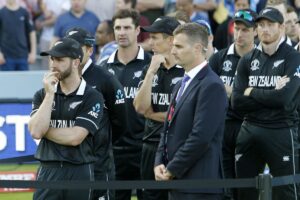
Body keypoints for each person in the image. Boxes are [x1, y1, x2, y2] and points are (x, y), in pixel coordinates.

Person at [232, 7, 300, 200]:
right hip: (249, 129)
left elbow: (284, 99)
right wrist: (271, 94)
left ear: (281, 28)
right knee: (245, 191)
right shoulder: (247, 60)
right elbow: (236, 102)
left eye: (270, 25)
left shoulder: (293, 57)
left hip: (281, 130)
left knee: (286, 192)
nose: (265, 29)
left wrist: (252, 91)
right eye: (261, 25)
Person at [154, 23, 227, 200]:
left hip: (199, 186)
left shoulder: (212, 85)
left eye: (178, 46)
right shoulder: (180, 84)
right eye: (173, 46)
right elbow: (167, 129)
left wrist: (172, 168)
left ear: (197, 48)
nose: (172, 52)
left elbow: (200, 137)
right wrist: (159, 162)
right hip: (178, 183)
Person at [28, 37, 104, 200]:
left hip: (79, 170)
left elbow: (75, 138)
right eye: (52, 59)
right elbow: (35, 132)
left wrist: (45, 130)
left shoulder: (92, 96)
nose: (53, 65)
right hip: (48, 170)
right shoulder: (42, 94)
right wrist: (50, 94)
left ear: (76, 62)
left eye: (60, 60)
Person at [65, 27, 127, 200]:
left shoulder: (105, 79)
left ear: (90, 50)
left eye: (78, 48)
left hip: (98, 165)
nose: (73, 53)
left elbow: (121, 122)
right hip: (69, 165)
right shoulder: (61, 78)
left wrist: (101, 143)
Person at [99, 9, 152, 200]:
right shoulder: (103, 68)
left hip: (144, 150)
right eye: (118, 28)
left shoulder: (152, 64)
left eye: (127, 27)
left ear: (138, 30)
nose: (122, 32)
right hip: (114, 152)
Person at [209, 8, 257, 200]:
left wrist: (230, 91)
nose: (239, 34)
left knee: (249, 185)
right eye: (237, 28)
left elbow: (265, 96)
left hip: (251, 126)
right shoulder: (219, 58)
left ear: (255, 31)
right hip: (223, 126)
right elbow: (208, 91)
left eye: (245, 29)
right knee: (225, 186)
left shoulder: (262, 59)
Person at [133, 16, 183, 200]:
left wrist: (152, 114)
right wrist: (151, 72)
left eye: (155, 37)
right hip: (150, 144)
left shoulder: (186, 70)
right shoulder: (150, 68)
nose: (150, 42)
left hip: (178, 145)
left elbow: (182, 115)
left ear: (171, 40)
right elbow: (140, 108)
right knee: (150, 196)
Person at [0, 0, 36, 71]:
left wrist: (33, 52)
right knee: (7, 81)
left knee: (24, 81)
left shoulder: (24, 12)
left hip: (22, 56)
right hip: (6, 58)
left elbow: (32, 32)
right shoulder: (1, 13)